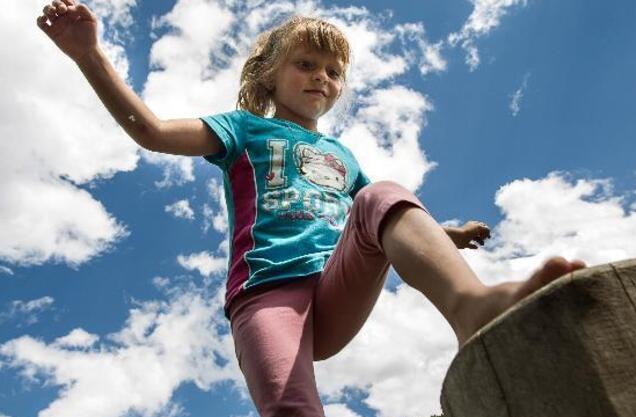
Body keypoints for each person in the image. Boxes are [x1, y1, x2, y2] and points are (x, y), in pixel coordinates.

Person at [36, 1, 587, 416]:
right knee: (291, 407)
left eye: (331, 71)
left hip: (335, 288)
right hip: (269, 296)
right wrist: (89, 55)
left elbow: (384, 216)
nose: (321, 76)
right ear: (269, 75)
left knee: (379, 192)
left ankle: (473, 307)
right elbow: (153, 132)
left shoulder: (342, 155)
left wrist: (447, 233)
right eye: (305, 64)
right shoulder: (244, 128)